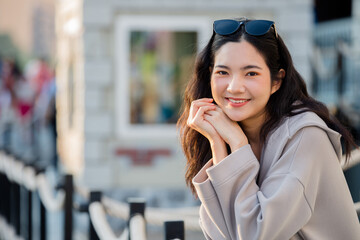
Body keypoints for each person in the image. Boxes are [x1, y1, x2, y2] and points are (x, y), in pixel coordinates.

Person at [177, 18, 360, 239]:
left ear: (276, 81)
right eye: (223, 72)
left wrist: (237, 144)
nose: (234, 87)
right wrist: (218, 144)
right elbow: (221, 233)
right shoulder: (226, 133)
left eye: (251, 73)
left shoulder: (305, 136)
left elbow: (256, 235)